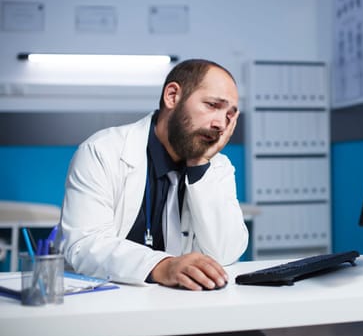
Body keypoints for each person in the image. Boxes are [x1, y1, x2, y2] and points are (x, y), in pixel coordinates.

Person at [60, 59, 249, 291]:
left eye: (229, 115)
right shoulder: (102, 151)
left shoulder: (217, 167)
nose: (220, 124)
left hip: (180, 305)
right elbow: (84, 245)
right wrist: (163, 266)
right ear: (172, 96)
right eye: (212, 105)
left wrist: (200, 165)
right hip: (107, 302)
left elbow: (225, 252)